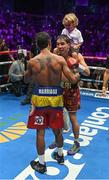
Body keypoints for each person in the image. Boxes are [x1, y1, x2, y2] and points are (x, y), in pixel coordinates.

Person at [24, 32, 80, 174]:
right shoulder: (60, 60)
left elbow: (25, 80)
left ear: (37, 44)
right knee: (57, 129)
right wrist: (77, 72)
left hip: (39, 99)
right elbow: (73, 80)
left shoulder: (33, 61)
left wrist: (30, 69)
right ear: (49, 43)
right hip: (56, 99)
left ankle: (42, 164)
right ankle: (60, 155)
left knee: (40, 132)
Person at [49, 34, 90, 155]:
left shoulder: (76, 56)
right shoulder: (56, 56)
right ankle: (58, 140)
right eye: (58, 44)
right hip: (59, 90)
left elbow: (87, 72)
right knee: (57, 117)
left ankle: (76, 143)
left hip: (72, 91)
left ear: (69, 45)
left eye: (63, 44)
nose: (60, 46)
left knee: (73, 118)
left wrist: (78, 66)